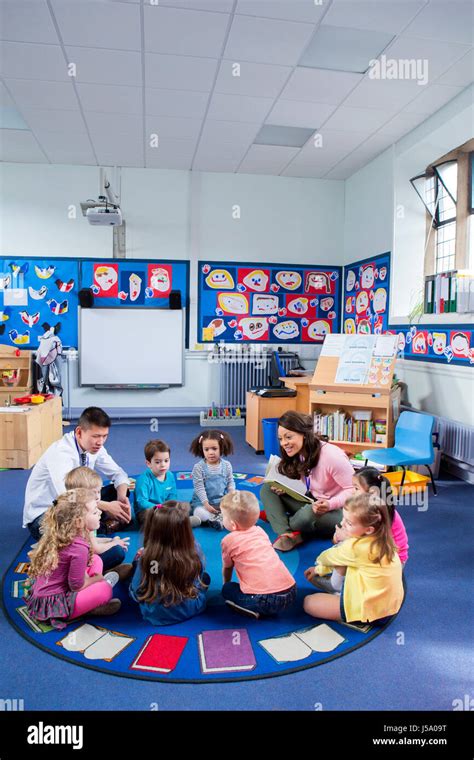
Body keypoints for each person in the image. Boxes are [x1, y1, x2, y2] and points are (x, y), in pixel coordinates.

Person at [23, 406, 131, 540]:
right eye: (96, 436)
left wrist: (121, 499)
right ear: (79, 432)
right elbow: (68, 497)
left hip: (82, 503)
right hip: (49, 513)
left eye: (104, 436)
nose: (100, 442)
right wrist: (107, 506)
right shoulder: (61, 453)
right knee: (111, 552)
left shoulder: (95, 446)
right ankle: (100, 529)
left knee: (119, 491)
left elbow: (118, 474)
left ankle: (95, 527)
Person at [26, 489, 122, 629]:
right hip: (55, 604)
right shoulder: (78, 548)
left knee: (96, 560)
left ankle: (90, 599)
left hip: (50, 590)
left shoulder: (65, 534)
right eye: (95, 512)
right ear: (78, 522)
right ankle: (90, 608)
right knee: (105, 589)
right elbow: (76, 586)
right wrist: (97, 578)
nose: (100, 513)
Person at [303, 493, 404, 626]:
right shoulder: (383, 539)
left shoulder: (355, 547)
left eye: (349, 523)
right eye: (344, 518)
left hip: (370, 613)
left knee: (308, 602)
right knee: (343, 560)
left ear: (368, 530)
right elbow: (340, 559)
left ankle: (343, 601)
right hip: (390, 608)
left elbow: (326, 557)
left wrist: (319, 568)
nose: (341, 523)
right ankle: (339, 594)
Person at [260, 411, 354, 551]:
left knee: (306, 515)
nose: (284, 443)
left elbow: (355, 490)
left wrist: (330, 504)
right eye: (280, 439)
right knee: (268, 489)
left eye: (288, 437)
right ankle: (286, 533)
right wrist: (285, 488)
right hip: (313, 500)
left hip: (339, 511)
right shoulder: (300, 452)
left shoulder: (332, 457)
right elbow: (310, 484)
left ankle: (280, 519)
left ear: (304, 434)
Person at [311, 467, 409, 594]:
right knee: (344, 546)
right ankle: (341, 584)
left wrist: (343, 538)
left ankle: (339, 588)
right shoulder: (370, 509)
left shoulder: (378, 515)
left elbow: (370, 545)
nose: (352, 492)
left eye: (356, 489)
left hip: (390, 560)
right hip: (382, 555)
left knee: (344, 548)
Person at [129, 502, 210, 626]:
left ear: (152, 529)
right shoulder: (194, 550)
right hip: (191, 607)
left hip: (155, 613)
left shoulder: (148, 558)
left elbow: (136, 591)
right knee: (205, 578)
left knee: (135, 575)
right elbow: (198, 576)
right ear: (186, 530)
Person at [220, 491, 297, 619]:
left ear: (233, 524)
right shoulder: (260, 531)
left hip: (263, 600)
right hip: (291, 592)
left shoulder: (229, 540)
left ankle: (248, 608)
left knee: (227, 589)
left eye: (223, 516)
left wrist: (225, 583)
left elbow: (227, 568)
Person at [64, 466, 131, 574]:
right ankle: (99, 574)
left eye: (98, 492)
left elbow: (91, 539)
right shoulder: (83, 518)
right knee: (118, 552)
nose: (97, 497)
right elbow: (96, 549)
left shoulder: (75, 508)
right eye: (93, 493)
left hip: (78, 552)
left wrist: (109, 541)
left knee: (103, 538)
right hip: (75, 569)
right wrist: (114, 543)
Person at [134, 439, 198, 528]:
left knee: (185, 506)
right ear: (148, 463)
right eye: (157, 462)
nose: (163, 465)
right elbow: (142, 502)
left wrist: (171, 506)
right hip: (148, 511)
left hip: (165, 509)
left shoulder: (170, 475)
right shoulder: (143, 480)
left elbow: (173, 495)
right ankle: (181, 523)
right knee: (155, 517)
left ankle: (174, 521)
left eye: (166, 460)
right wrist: (159, 507)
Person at [189, 429, 235, 530]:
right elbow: (199, 487)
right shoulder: (198, 467)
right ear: (202, 450)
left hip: (220, 502)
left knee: (238, 505)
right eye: (206, 449)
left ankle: (218, 518)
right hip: (202, 503)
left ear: (221, 448)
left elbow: (230, 482)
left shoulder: (227, 465)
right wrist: (206, 504)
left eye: (214, 448)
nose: (210, 453)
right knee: (199, 512)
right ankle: (214, 519)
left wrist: (231, 495)